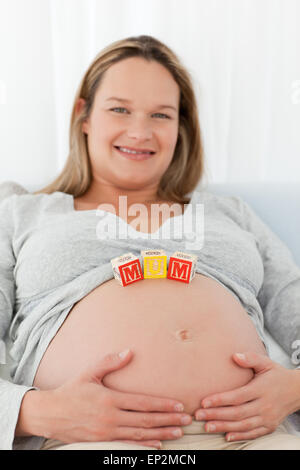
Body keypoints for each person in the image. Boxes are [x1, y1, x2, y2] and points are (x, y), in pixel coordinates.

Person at [1, 35, 300, 451]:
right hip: (97, 440)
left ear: (181, 127)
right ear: (83, 115)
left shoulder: (231, 213)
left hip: (251, 435)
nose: (140, 132)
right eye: (119, 109)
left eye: (160, 115)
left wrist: (295, 389)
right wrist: (37, 413)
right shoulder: (19, 212)